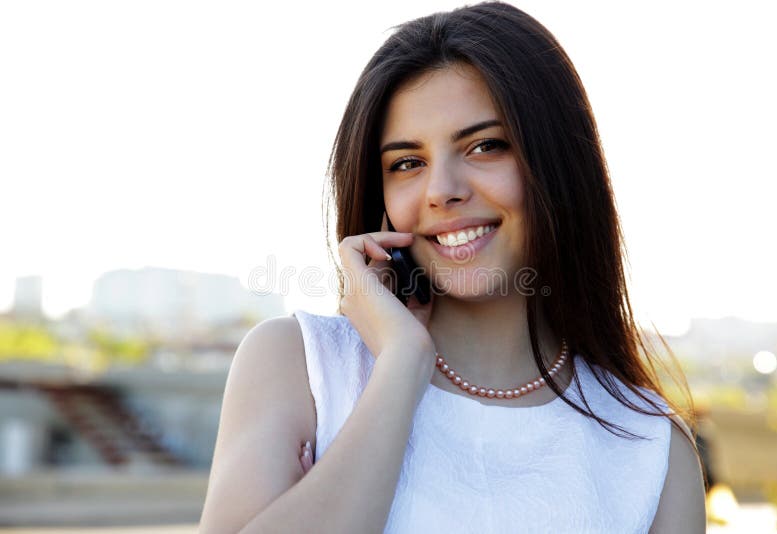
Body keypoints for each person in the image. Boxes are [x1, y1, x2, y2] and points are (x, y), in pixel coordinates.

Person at [199, 2, 706, 532]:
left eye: (486, 146)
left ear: (558, 163)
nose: (442, 190)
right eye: (407, 163)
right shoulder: (299, 367)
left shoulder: (650, 449)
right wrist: (401, 363)